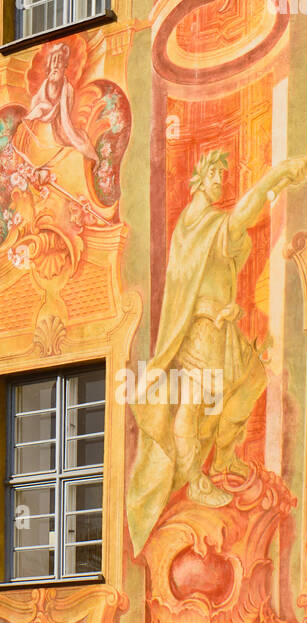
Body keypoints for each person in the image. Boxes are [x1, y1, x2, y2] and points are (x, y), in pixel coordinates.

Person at [127, 149, 307, 553]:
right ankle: (195, 478)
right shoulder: (197, 225)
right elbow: (241, 217)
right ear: (200, 178)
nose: (221, 184)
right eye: (216, 177)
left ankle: (223, 458)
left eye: (224, 178)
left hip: (221, 329)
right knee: (193, 406)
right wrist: (273, 176)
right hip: (203, 335)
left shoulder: (199, 226)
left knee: (251, 380)